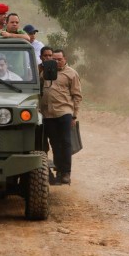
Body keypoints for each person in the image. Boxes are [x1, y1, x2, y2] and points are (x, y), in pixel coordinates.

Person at [40, 49, 82, 185]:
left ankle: (66, 173)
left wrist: (74, 116)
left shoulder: (71, 73)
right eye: (54, 59)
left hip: (64, 112)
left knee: (65, 142)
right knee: (54, 143)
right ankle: (58, 171)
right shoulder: (45, 73)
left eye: (59, 59)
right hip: (48, 114)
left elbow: (77, 96)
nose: (57, 61)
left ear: (65, 59)